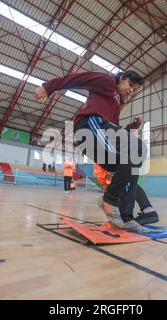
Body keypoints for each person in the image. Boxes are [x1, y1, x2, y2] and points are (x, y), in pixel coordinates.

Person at [35, 70, 158, 233]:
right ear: (122, 78)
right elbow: (76, 79)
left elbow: (114, 129)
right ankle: (110, 200)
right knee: (135, 150)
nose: (131, 91)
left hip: (100, 132)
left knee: (132, 162)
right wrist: (48, 88)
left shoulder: (116, 102)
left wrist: (132, 128)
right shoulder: (107, 81)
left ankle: (125, 217)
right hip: (89, 125)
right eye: (130, 85)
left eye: (134, 89)